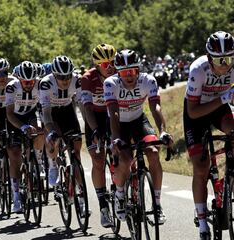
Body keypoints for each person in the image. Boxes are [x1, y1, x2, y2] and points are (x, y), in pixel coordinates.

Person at [104, 49, 173, 224]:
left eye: (133, 71)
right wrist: (116, 138)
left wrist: (163, 131)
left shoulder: (148, 80)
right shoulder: (110, 83)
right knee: (126, 160)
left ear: (139, 70)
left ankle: (157, 205)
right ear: (118, 73)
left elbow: (155, 108)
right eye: (125, 72)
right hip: (118, 124)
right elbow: (113, 113)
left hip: (138, 120)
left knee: (154, 153)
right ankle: (120, 193)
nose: (129, 76)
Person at [183, 31, 234, 240]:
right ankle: (203, 220)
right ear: (208, 57)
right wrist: (224, 97)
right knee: (201, 166)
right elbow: (193, 111)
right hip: (197, 112)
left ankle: (229, 177)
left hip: (220, 108)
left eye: (229, 58)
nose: (224, 65)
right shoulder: (198, 69)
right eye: (219, 60)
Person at [81, 43, 116, 227]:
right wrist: (95, 130)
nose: (110, 67)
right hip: (94, 116)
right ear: (96, 66)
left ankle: (120, 190)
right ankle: (103, 206)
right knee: (98, 159)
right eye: (105, 65)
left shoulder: (119, 73)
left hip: (112, 115)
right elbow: (86, 108)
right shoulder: (87, 79)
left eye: (112, 62)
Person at [5, 61, 44, 213]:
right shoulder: (11, 87)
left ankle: (38, 161)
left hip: (30, 114)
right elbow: (8, 113)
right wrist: (22, 127)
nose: (29, 84)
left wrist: (42, 124)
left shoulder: (39, 85)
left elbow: (43, 107)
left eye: (31, 81)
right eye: (26, 82)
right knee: (15, 154)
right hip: (13, 118)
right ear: (19, 79)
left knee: (39, 132)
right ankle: (15, 195)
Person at [39, 55, 82, 187]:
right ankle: (53, 165)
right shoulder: (46, 83)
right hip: (51, 112)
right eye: (61, 77)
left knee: (76, 151)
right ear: (54, 75)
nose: (65, 80)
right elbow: (46, 113)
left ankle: (80, 191)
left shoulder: (77, 80)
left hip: (67, 110)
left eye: (68, 76)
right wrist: (51, 131)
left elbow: (82, 106)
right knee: (54, 141)